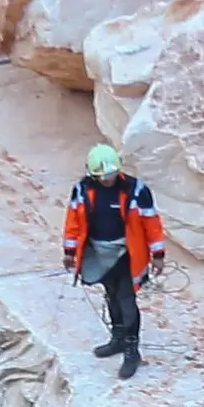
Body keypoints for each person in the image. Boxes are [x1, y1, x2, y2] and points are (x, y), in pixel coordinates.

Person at [63, 144, 166, 380]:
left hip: (128, 255)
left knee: (126, 299)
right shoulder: (82, 189)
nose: (108, 180)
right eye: (103, 176)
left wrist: (157, 254)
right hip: (99, 253)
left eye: (111, 175)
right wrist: (70, 251)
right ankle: (118, 338)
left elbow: (152, 223)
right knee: (110, 294)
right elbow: (73, 222)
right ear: (93, 174)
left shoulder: (135, 190)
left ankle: (132, 350)